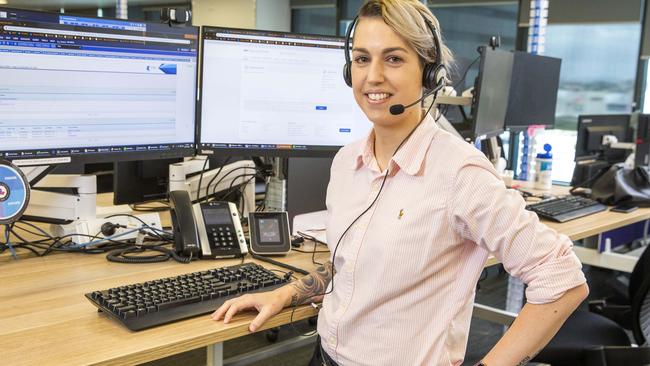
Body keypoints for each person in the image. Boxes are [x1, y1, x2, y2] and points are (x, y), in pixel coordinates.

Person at [212, 1, 589, 365]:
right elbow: (349, 266)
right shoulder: (347, 162)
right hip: (324, 357)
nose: (372, 76)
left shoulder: (459, 173)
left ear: (429, 73)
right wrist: (286, 293)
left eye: (393, 58)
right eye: (361, 59)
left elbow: (563, 278)